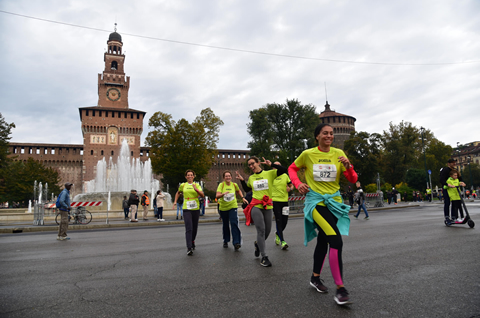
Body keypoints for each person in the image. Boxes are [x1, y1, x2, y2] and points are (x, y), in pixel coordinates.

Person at [288, 123, 357, 306]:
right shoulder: (308, 154)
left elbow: (352, 179)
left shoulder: (339, 154)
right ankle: (340, 289)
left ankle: (315, 277)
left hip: (334, 203)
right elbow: (291, 169)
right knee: (335, 240)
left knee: (324, 240)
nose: (329, 136)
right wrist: (297, 183)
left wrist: (349, 166)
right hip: (316, 203)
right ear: (317, 136)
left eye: (331, 133)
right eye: (325, 133)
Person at [236, 157, 288, 267]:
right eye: (249, 165)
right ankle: (264, 257)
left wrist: (271, 164)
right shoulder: (251, 178)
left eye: (252, 163)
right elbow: (247, 189)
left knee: (268, 231)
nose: (251, 166)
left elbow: (284, 170)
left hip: (268, 206)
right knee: (261, 230)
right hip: (256, 205)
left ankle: (257, 244)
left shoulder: (269, 173)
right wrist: (241, 180)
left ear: (258, 163)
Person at [173, 170, 205, 256]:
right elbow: (178, 193)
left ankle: (192, 240)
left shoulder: (197, 184)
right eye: (188, 175)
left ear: (193, 176)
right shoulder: (183, 185)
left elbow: (202, 195)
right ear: (186, 177)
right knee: (188, 227)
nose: (190, 176)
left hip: (195, 207)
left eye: (191, 175)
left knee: (194, 227)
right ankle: (189, 247)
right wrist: (175, 201)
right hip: (186, 208)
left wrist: (196, 190)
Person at [216, 170, 248, 250]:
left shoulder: (234, 184)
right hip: (223, 208)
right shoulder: (221, 185)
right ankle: (226, 240)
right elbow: (217, 195)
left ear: (231, 177)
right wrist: (223, 194)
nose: (228, 177)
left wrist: (242, 197)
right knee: (225, 224)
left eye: (229, 176)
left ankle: (236, 242)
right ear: (224, 178)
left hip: (233, 206)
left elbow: (238, 190)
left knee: (234, 223)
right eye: (226, 176)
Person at [271, 161, 294, 250]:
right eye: (275, 165)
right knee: (279, 220)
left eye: (279, 165)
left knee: (285, 221)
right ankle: (283, 241)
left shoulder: (285, 175)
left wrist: (290, 188)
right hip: (275, 201)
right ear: (273, 168)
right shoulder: (271, 176)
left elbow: (291, 185)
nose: (277, 167)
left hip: (284, 201)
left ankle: (277, 233)